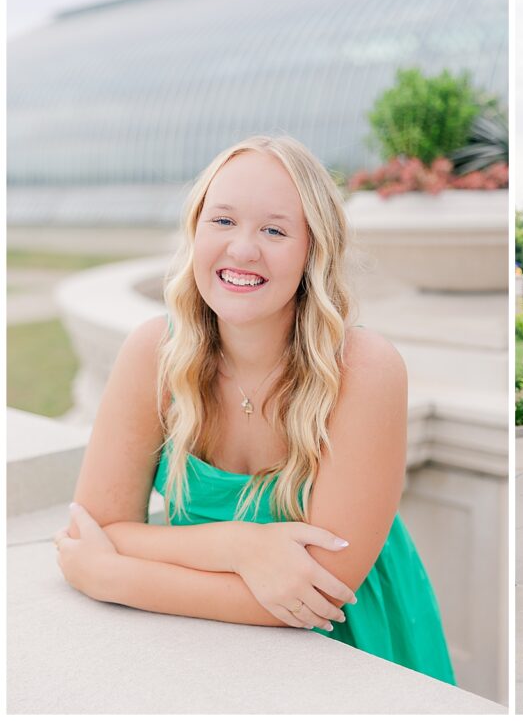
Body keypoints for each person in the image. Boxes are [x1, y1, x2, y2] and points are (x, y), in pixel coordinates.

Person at [53, 135, 455, 685]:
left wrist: (111, 577)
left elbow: (314, 595)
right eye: (222, 221)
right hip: (203, 648)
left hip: (356, 649)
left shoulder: (365, 369)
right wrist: (240, 545)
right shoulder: (153, 353)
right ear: (195, 231)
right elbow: (94, 527)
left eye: (274, 230)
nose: (243, 249)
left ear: (313, 250)